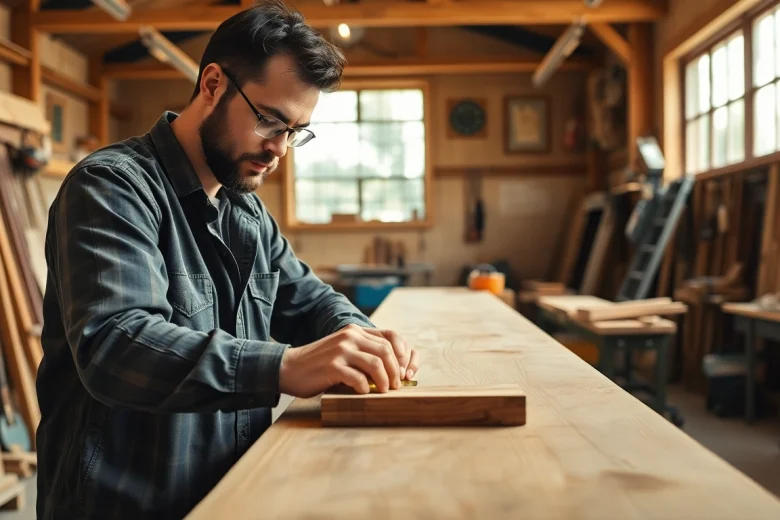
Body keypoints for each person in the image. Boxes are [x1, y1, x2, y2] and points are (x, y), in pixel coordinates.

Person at [36, 1, 420, 518]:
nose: (280, 149)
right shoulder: (111, 187)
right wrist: (283, 366)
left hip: (233, 498)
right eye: (269, 121)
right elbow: (116, 346)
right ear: (213, 84)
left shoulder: (247, 212)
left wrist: (363, 341)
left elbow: (309, 301)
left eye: (295, 131)